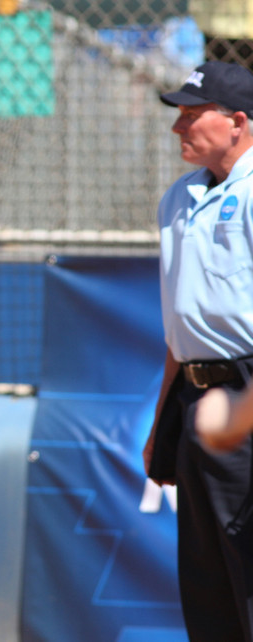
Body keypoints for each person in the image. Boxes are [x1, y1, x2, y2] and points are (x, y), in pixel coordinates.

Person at [143, 60, 253, 642]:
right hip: (194, 394)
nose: (177, 127)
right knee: (207, 582)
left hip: (247, 395)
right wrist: (163, 421)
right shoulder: (178, 198)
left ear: (238, 122)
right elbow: (179, 323)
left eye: (192, 114)